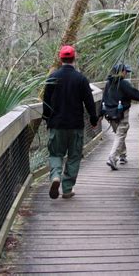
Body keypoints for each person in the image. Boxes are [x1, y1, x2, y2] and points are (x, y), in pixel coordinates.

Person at [42, 45, 98, 199]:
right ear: (75, 58)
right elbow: (89, 102)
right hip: (75, 126)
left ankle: (55, 176)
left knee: (55, 154)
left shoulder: (52, 78)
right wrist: (94, 119)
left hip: (57, 125)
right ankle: (67, 189)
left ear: (61, 59)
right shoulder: (81, 79)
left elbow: (46, 102)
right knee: (74, 157)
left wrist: (47, 118)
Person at [102, 64, 139, 170]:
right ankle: (112, 158)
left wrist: (100, 114)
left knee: (119, 133)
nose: (126, 73)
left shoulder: (109, 83)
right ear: (121, 72)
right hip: (121, 113)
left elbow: (104, 98)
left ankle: (122, 155)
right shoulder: (123, 84)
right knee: (120, 134)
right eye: (125, 71)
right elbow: (136, 94)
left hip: (109, 114)